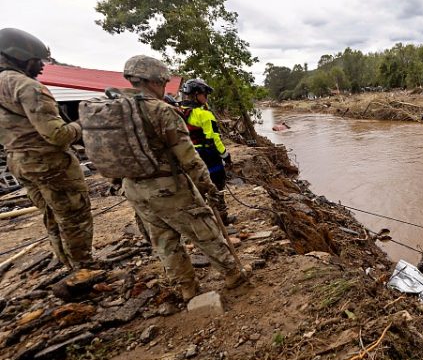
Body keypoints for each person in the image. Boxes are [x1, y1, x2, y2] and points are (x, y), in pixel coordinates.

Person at [118, 56, 249, 300]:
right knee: (204, 229)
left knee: (164, 242)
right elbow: (188, 156)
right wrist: (206, 185)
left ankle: (187, 287)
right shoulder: (162, 111)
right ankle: (233, 273)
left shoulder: (112, 108)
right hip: (168, 185)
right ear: (156, 80)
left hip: (133, 188)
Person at [0, 28, 95, 269]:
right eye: (37, 61)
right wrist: (82, 123)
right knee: (74, 215)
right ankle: (83, 268)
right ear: (20, 57)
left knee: (52, 215)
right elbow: (57, 135)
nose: (42, 67)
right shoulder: (26, 86)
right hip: (49, 162)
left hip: (18, 161)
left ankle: (67, 262)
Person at [178, 78, 235, 225]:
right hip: (209, 156)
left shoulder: (179, 112)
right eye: (205, 94)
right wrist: (226, 156)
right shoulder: (204, 115)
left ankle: (203, 222)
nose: (206, 97)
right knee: (217, 185)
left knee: (197, 189)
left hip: (189, 156)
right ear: (196, 94)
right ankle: (222, 219)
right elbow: (214, 139)